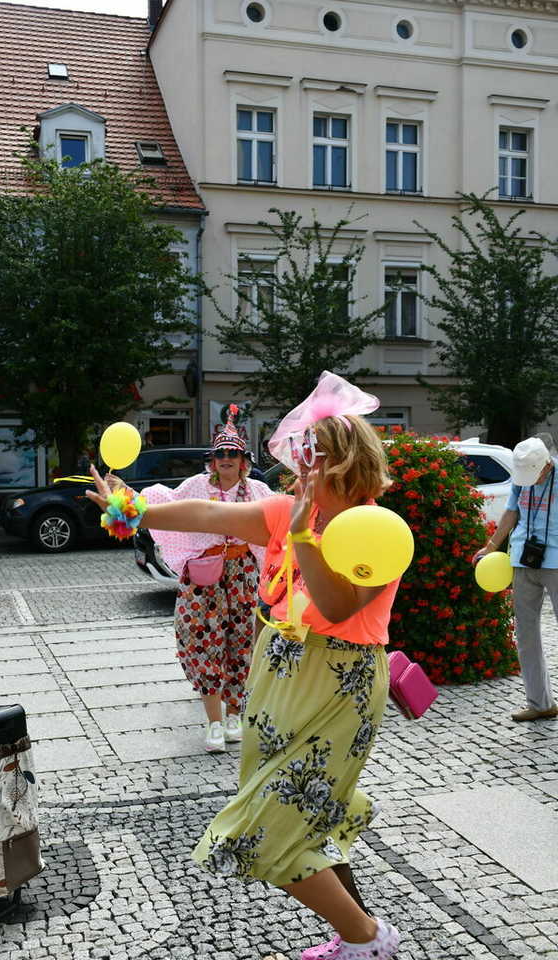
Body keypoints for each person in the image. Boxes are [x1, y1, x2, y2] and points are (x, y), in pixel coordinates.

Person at [88, 373, 401, 960]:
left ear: (345, 465)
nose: (299, 471)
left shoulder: (374, 529)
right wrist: (133, 509)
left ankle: (368, 939)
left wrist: (306, 537)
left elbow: (334, 607)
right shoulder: (284, 512)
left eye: (313, 460)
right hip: (277, 672)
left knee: (271, 827)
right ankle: (355, 934)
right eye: (300, 459)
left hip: (338, 683)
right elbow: (207, 514)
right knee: (303, 819)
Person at [114, 405, 274, 753]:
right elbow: (161, 503)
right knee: (203, 644)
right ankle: (214, 724)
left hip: (243, 577)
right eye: (220, 454)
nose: (227, 459)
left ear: (244, 460)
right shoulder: (196, 485)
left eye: (233, 453)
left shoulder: (259, 491)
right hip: (203, 579)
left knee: (242, 646)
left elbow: (280, 520)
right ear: (212, 460)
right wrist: (125, 494)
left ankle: (235, 717)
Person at [474, 436, 558, 722]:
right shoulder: (521, 479)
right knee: (526, 634)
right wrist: (491, 546)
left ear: (546, 465)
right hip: (522, 559)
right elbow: (511, 512)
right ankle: (540, 703)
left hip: (556, 563)